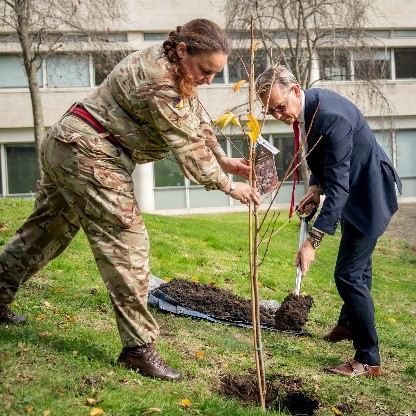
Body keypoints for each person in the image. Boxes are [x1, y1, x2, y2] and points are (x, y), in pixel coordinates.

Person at [0, 19, 260, 381]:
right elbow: (184, 144)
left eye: (216, 73)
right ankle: (139, 349)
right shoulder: (159, 81)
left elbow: (195, 116)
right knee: (127, 244)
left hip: (69, 143)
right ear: (184, 51)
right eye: (205, 71)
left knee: (47, 231)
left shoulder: (175, 67)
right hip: (89, 153)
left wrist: (222, 157)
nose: (208, 80)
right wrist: (229, 187)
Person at [255, 63, 402, 377]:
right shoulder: (311, 107)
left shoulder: (330, 116)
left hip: (369, 197)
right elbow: (328, 160)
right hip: (354, 194)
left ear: (296, 91)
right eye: (271, 111)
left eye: (280, 107)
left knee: (348, 275)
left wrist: (313, 240)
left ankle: (369, 360)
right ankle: (349, 324)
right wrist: (314, 186)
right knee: (358, 268)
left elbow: (340, 186)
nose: (279, 115)